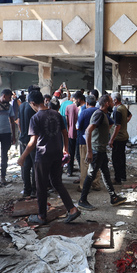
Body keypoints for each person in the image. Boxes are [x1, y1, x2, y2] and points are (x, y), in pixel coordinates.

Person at [17, 90, 81, 224]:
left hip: (43, 156)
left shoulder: (35, 118)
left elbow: (32, 142)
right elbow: (65, 133)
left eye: (31, 105)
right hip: (57, 154)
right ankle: (72, 209)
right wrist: (65, 148)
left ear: (33, 103)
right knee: (57, 182)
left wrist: (22, 157)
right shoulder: (56, 114)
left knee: (41, 186)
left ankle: (41, 216)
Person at [78, 95, 127, 210]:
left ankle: (113, 197)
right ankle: (82, 200)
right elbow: (88, 130)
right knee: (91, 175)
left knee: (105, 173)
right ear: (105, 103)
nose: (112, 104)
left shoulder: (103, 114)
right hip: (96, 151)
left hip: (101, 150)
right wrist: (89, 151)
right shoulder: (99, 114)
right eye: (111, 102)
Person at [77, 95, 102, 192]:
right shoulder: (100, 112)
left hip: (84, 141)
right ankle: (96, 184)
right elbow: (110, 123)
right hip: (96, 141)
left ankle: (83, 186)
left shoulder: (84, 112)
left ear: (86, 103)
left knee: (85, 164)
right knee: (96, 163)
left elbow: (78, 127)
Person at [18, 85, 39, 198]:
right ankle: (35, 190)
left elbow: (19, 122)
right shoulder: (33, 107)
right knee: (35, 165)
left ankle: (27, 189)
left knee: (26, 166)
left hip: (23, 138)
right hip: (32, 140)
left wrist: (22, 133)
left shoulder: (22, 106)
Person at [110, 92, 130, 185]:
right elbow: (130, 115)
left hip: (118, 137)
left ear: (115, 100)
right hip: (124, 135)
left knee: (116, 158)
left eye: (111, 99)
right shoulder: (123, 107)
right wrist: (124, 123)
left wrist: (111, 139)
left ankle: (117, 179)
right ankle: (123, 175)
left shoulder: (117, 110)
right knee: (122, 157)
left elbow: (117, 126)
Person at [66, 92, 82, 177]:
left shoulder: (68, 107)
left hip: (71, 132)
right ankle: (82, 171)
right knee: (79, 154)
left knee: (70, 153)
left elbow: (67, 121)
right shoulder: (81, 108)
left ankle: (69, 170)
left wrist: (69, 130)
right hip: (79, 133)